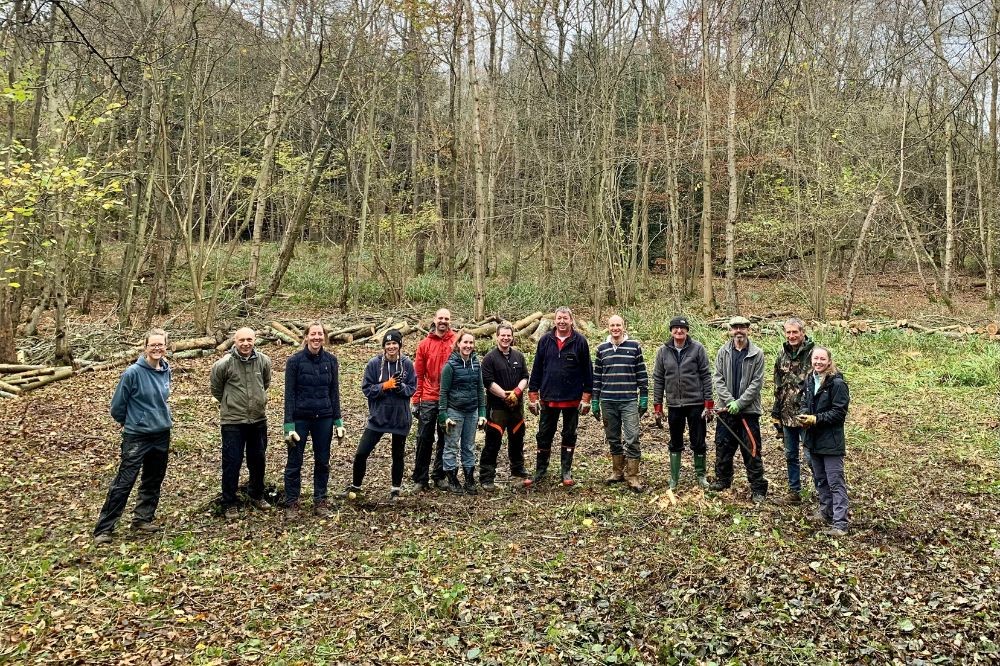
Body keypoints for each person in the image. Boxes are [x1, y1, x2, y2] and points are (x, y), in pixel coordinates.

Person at [93, 329, 173, 544]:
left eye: (161, 345)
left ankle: (142, 518)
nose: (157, 348)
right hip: (137, 436)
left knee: (153, 478)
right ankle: (105, 528)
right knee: (124, 481)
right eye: (153, 345)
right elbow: (117, 407)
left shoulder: (166, 369)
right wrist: (132, 422)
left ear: (166, 346)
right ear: (145, 347)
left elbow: (161, 399)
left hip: (161, 433)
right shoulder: (132, 373)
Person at [342, 329, 416, 502]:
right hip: (379, 417)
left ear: (399, 346)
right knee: (362, 453)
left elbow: (412, 388)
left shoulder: (407, 364)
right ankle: (356, 486)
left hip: (399, 417)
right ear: (384, 346)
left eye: (394, 344)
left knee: (398, 455)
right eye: (388, 344)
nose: (391, 347)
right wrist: (385, 386)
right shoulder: (374, 364)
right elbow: (367, 389)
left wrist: (400, 388)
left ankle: (395, 490)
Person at [525, 307, 594, 487]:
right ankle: (540, 470)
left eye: (565, 318)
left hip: (572, 398)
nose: (562, 321)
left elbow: (588, 372)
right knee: (543, 434)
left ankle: (566, 470)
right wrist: (533, 394)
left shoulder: (580, 342)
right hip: (548, 397)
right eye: (559, 318)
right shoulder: (545, 340)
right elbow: (537, 369)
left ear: (571, 320)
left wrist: (586, 397)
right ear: (554, 320)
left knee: (569, 434)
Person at [282, 322, 344, 519]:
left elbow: (334, 392)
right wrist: (288, 425)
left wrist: (338, 421)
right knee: (294, 462)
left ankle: (320, 500)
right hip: (300, 419)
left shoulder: (331, 361)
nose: (317, 338)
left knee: (322, 461)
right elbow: (289, 394)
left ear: (324, 337)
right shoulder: (294, 362)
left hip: (323, 418)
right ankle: (291, 502)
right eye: (313, 334)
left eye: (320, 334)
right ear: (306, 337)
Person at [210, 326, 273, 519]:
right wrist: (231, 402)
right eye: (241, 340)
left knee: (258, 460)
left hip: (257, 419)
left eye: (249, 340)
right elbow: (216, 389)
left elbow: (266, 382)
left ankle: (256, 494)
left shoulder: (263, 361)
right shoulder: (224, 364)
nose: (246, 344)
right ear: (234, 342)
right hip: (233, 422)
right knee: (232, 462)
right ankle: (229, 501)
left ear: (254, 340)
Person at [709, 316, 769, 502]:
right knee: (723, 446)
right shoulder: (723, 352)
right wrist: (729, 402)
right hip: (726, 410)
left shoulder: (756, 353)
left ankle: (758, 487)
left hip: (748, 411)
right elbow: (717, 378)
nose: (739, 331)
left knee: (751, 449)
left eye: (742, 327)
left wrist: (740, 403)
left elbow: (757, 382)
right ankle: (723, 479)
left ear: (748, 330)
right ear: (730, 330)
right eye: (735, 327)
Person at [651, 316, 714, 491]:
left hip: (696, 403)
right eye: (675, 328)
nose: (679, 331)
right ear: (671, 331)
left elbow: (706, 376)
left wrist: (709, 404)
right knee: (675, 440)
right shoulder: (663, 351)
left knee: (698, 440)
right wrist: (658, 406)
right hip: (674, 405)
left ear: (687, 331)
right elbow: (658, 379)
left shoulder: (697, 349)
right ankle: (674, 477)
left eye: (682, 328)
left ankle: (701, 475)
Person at [592, 314, 649, 492]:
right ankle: (617, 472)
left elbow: (641, 373)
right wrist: (595, 400)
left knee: (632, 437)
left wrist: (644, 396)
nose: (615, 328)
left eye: (618, 325)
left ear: (624, 327)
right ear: (608, 327)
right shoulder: (602, 349)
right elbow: (597, 377)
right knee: (613, 438)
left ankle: (633, 475)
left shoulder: (634, 346)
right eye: (612, 325)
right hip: (608, 401)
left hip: (629, 400)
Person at [798, 346, 850, 536]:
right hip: (813, 439)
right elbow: (805, 401)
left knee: (835, 481)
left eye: (822, 359)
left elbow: (839, 412)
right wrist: (804, 415)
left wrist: (817, 419)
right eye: (815, 359)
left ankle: (840, 523)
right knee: (820, 479)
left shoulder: (837, 384)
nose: (818, 362)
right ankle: (826, 511)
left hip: (831, 441)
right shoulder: (810, 379)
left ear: (829, 361)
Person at [480, 323, 530, 490]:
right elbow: (487, 382)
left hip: (516, 406)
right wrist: (505, 395)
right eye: (503, 335)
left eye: (509, 335)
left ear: (512, 337)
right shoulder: (489, 358)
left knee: (517, 438)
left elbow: (525, 377)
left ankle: (517, 469)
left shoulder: (519, 356)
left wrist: (517, 392)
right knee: (493, 441)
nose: (506, 338)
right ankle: (487, 476)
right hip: (497, 407)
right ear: (497, 336)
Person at [771, 317, 815, 504]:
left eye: (795, 332)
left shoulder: (814, 353)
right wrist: (776, 412)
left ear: (802, 333)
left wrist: (816, 414)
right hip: (787, 414)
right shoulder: (782, 353)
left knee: (811, 456)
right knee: (790, 455)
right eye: (788, 332)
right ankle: (794, 492)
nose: (791, 336)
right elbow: (778, 384)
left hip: (807, 415)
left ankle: (824, 492)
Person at [411, 308, 456, 491]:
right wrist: (416, 399)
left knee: (445, 438)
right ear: (434, 320)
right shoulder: (424, 345)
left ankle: (439, 475)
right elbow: (418, 375)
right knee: (424, 437)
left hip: (450, 398)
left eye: (446, 318)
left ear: (450, 321)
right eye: (440, 318)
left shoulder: (456, 342)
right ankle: (420, 478)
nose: (443, 321)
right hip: (429, 397)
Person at [438, 331, 486, 494]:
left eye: (471, 343)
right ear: (458, 344)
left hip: (471, 412)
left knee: (469, 446)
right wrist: (443, 415)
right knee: (451, 445)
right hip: (454, 411)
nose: (468, 346)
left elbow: (480, 389)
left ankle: (469, 479)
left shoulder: (476, 364)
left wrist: (482, 412)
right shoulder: (450, 366)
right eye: (465, 342)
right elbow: (443, 392)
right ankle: (452, 478)